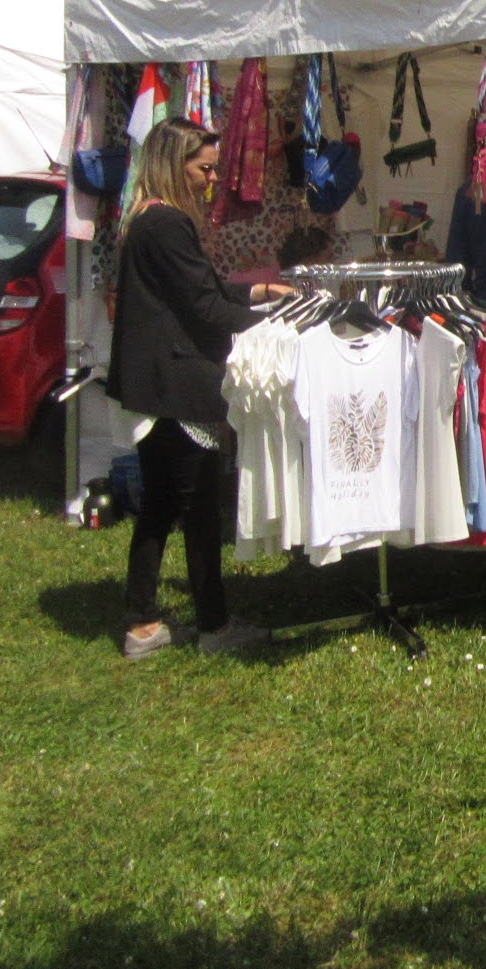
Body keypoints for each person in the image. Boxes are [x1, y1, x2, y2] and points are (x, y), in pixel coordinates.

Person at [107, 117, 296, 660]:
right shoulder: (166, 224)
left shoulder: (145, 220)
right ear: (175, 163)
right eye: (204, 168)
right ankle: (213, 627)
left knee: (163, 503)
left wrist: (259, 289)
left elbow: (200, 287)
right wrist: (280, 324)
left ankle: (141, 618)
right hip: (178, 382)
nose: (211, 180)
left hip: (157, 379)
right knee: (199, 508)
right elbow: (205, 307)